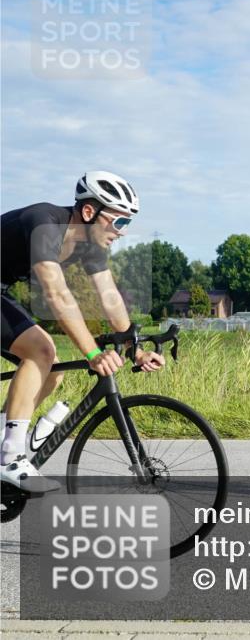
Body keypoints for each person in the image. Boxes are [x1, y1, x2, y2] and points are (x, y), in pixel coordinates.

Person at [1, 171, 164, 493]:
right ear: (89, 212)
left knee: (52, 371)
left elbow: (109, 296)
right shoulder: (44, 222)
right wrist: (92, 353)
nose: (122, 232)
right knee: (42, 351)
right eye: (119, 222)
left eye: (128, 224)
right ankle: (9, 458)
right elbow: (56, 294)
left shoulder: (89, 244)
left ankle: (5, 445)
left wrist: (135, 348)